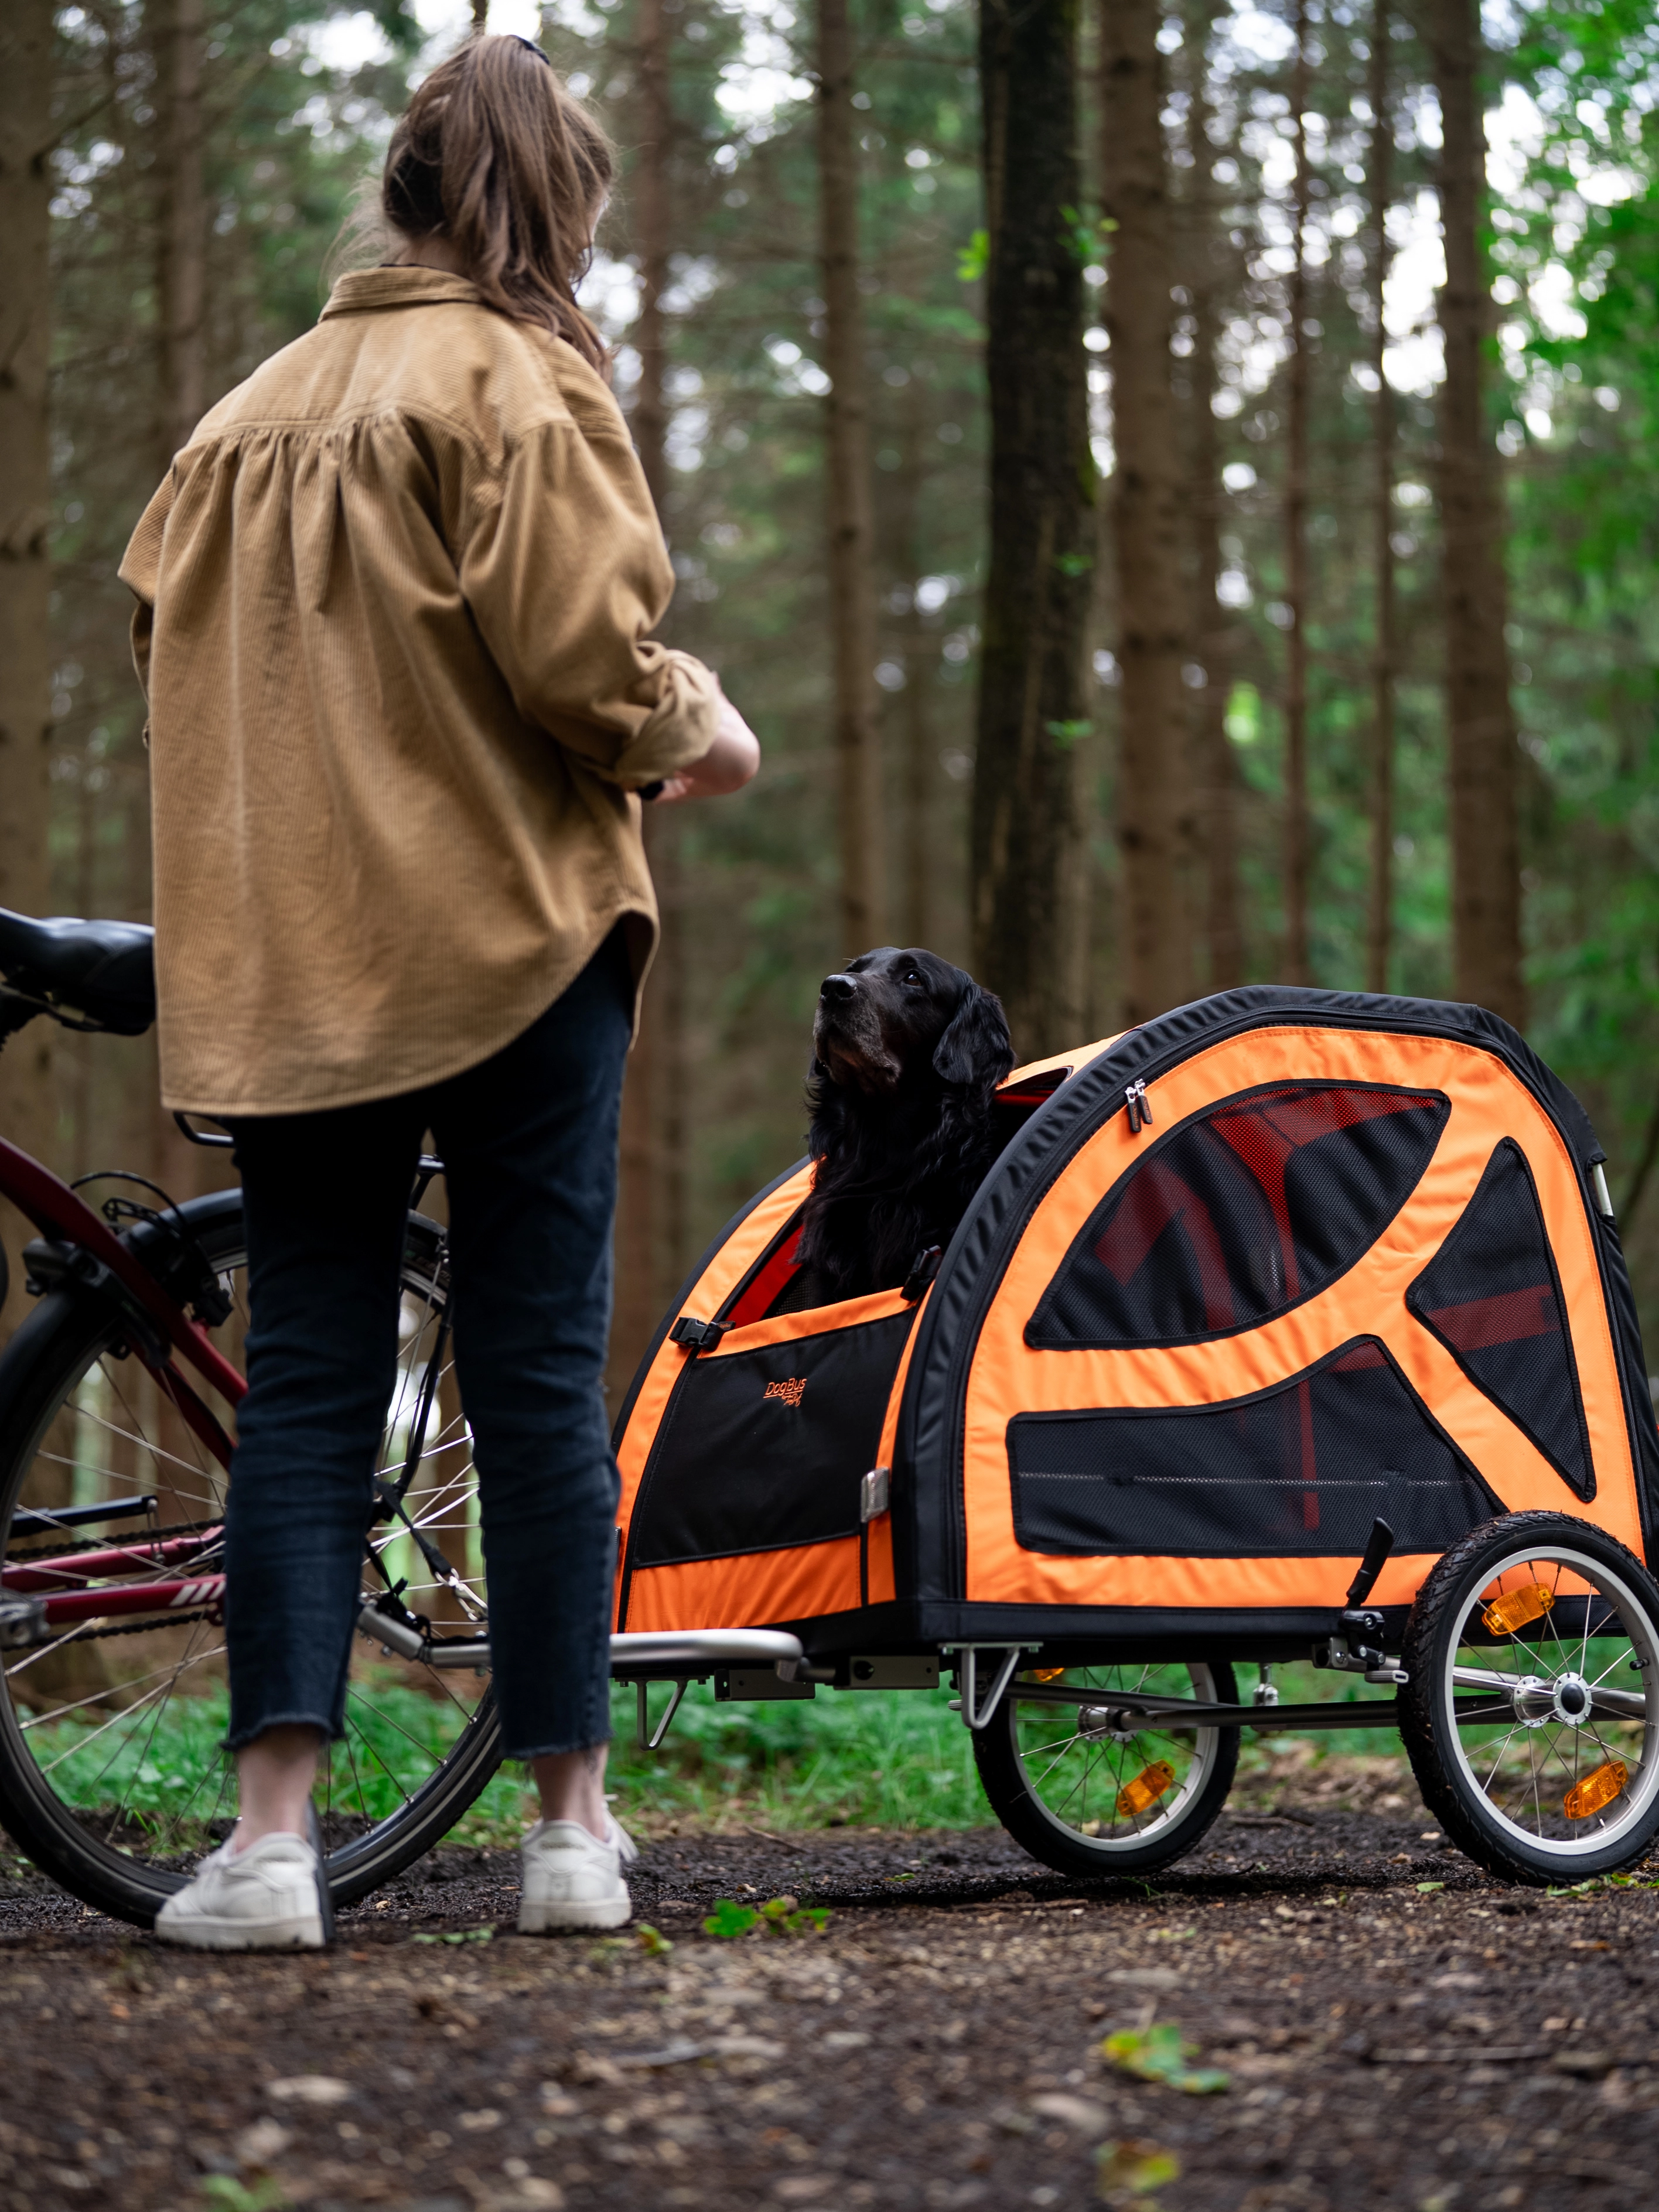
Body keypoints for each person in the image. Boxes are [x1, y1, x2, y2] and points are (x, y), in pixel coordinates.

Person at [117, 31, 758, 1950]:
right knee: (542, 1374)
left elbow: (169, 631)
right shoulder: (522, 382)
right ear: (546, 206)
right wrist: (702, 727)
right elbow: (590, 667)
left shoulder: (237, 421)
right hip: (517, 948)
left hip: (302, 970)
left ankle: (264, 1855)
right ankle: (571, 1834)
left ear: (393, 188)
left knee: (309, 1386)